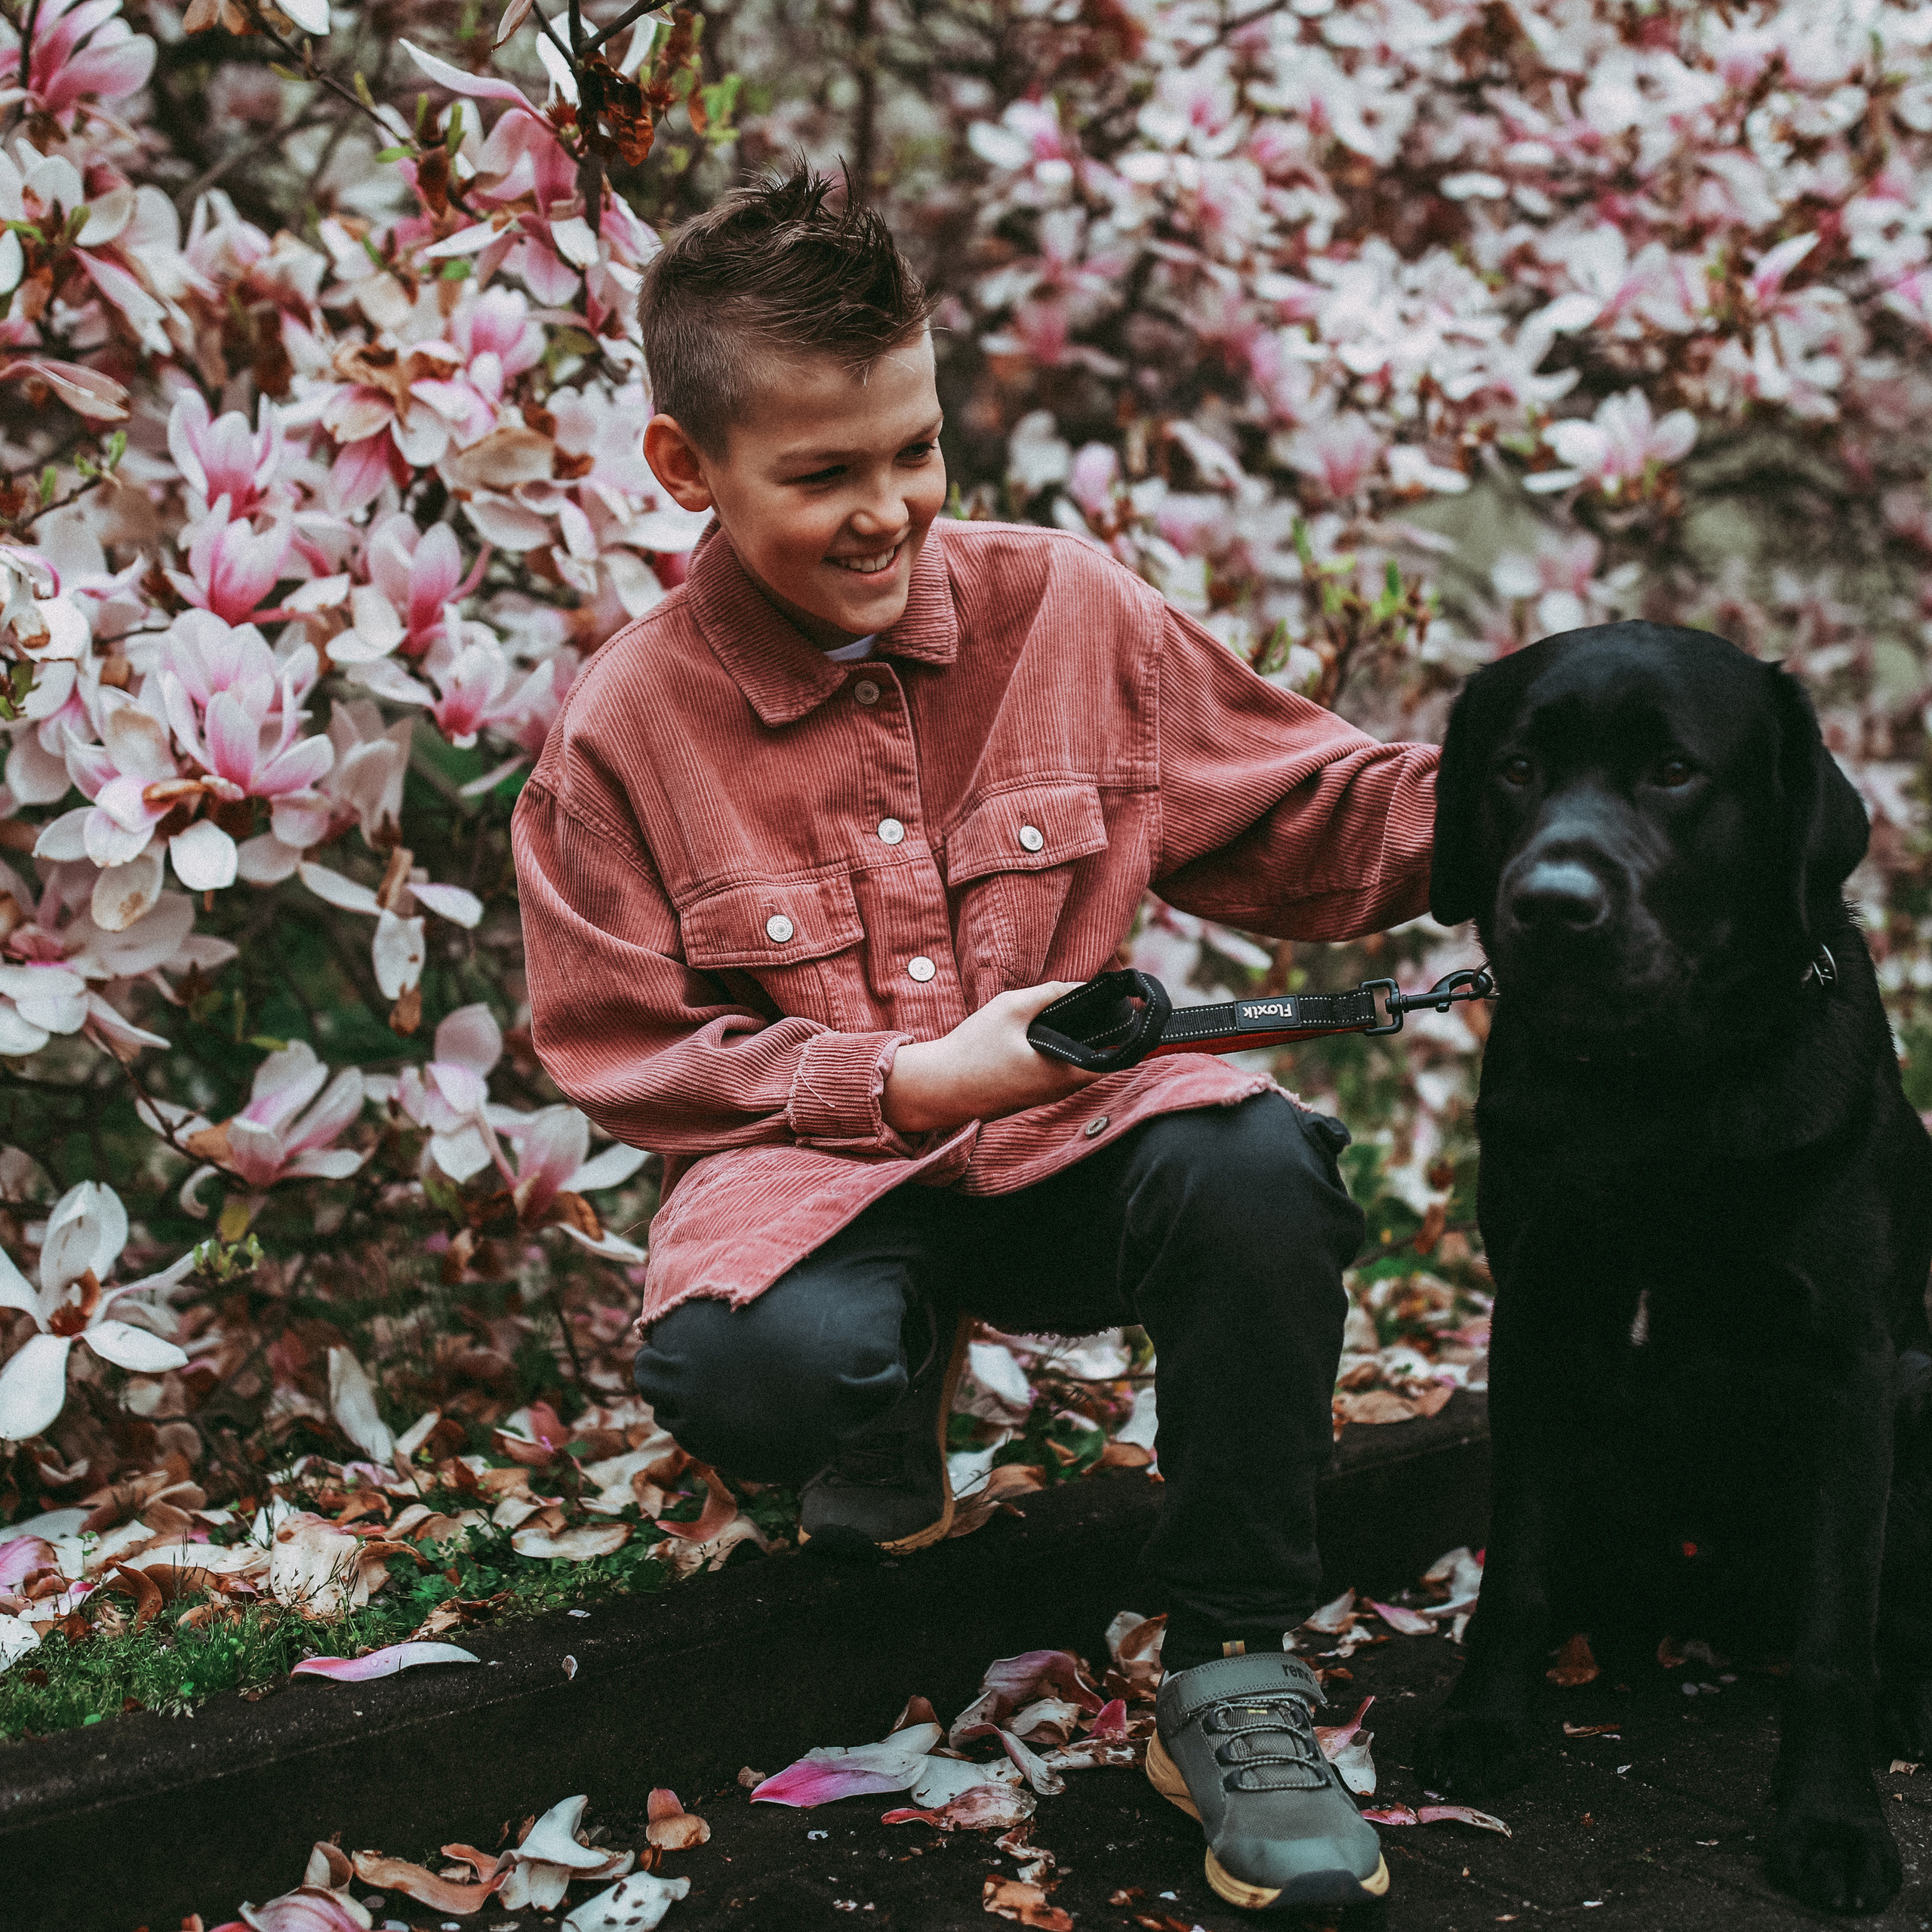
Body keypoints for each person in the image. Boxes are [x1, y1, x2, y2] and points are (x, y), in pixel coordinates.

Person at [511, 163, 1439, 1913]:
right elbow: (618, 1043)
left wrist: (1550, 814)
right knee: (742, 1368)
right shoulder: (622, 729)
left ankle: (1234, 1664)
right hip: (815, 1180)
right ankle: (880, 1401)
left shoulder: (1067, 610)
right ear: (682, 469)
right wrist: (899, 1082)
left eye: (915, 449)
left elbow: (1308, 807)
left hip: (1071, 1150)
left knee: (1257, 1164)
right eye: (823, 474)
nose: (888, 512)